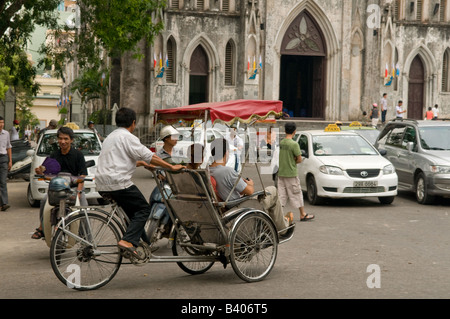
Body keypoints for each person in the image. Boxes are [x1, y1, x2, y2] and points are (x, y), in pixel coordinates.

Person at [95, 107, 184, 259]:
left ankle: (143, 244)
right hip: (118, 183)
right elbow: (149, 155)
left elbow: (122, 160)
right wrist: (171, 166)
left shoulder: (110, 137)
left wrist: (142, 164)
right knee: (143, 209)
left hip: (102, 183)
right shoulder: (128, 137)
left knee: (133, 214)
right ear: (134, 123)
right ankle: (128, 241)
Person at [208, 138, 293, 234]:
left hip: (225, 206)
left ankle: (277, 222)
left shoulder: (208, 170)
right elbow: (250, 191)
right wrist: (250, 184)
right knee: (272, 191)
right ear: (226, 153)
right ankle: (283, 227)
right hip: (238, 209)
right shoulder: (227, 171)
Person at [31, 126, 88, 239]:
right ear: (57, 139)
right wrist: (41, 171)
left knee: (84, 208)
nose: (63, 141)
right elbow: (47, 173)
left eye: (66, 139)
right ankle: (42, 228)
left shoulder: (78, 155)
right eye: (60, 138)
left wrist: (79, 192)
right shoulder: (54, 155)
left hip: (74, 189)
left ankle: (86, 237)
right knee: (43, 201)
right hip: (56, 190)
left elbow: (82, 175)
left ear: (71, 140)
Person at [278, 122, 314, 222]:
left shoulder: (282, 142)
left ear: (285, 131)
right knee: (296, 193)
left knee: (281, 195)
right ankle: (303, 214)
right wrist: (293, 159)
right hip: (291, 173)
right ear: (295, 131)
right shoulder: (294, 144)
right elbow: (299, 159)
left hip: (281, 173)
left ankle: (279, 216)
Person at [0, 117, 12, 211]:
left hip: (3, 158)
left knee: (3, 182)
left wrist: (10, 161)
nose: (1, 124)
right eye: (0, 122)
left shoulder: (6, 134)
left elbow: (8, 147)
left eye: (2, 122)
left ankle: (4, 203)